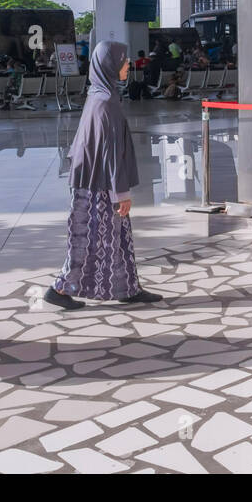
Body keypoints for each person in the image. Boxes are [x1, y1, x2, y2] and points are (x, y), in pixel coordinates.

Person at [43, 41, 161, 309]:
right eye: (123, 60)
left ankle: (128, 288)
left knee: (116, 237)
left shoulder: (100, 94)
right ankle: (59, 289)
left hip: (93, 179)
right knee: (92, 241)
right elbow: (111, 152)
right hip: (98, 183)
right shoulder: (106, 101)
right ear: (109, 65)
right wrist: (120, 193)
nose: (128, 64)